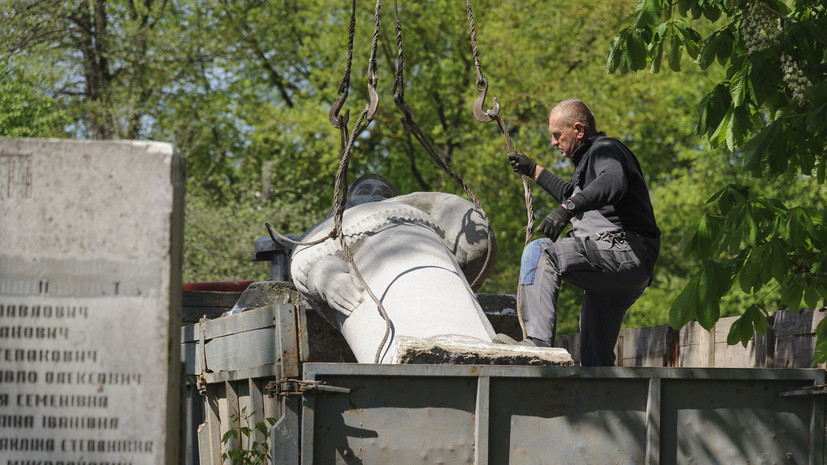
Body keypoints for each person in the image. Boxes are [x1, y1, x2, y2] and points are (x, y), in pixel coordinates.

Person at [495, 98, 660, 366]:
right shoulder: (588, 165)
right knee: (595, 363)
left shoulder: (606, 150)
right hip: (623, 275)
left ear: (579, 130)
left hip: (623, 251)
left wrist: (565, 209)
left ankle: (537, 344)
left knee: (542, 252)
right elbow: (576, 193)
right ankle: (603, 402)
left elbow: (613, 182)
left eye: (557, 135)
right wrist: (533, 170)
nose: (553, 142)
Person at [290, 174, 498, 363]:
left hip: (448, 296)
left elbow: (474, 236)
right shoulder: (335, 230)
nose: (376, 195)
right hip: (391, 321)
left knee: (471, 341)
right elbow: (317, 257)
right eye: (365, 191)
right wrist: (325, 276)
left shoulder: (417, 218)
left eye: (385, 193)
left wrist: (416, 202)